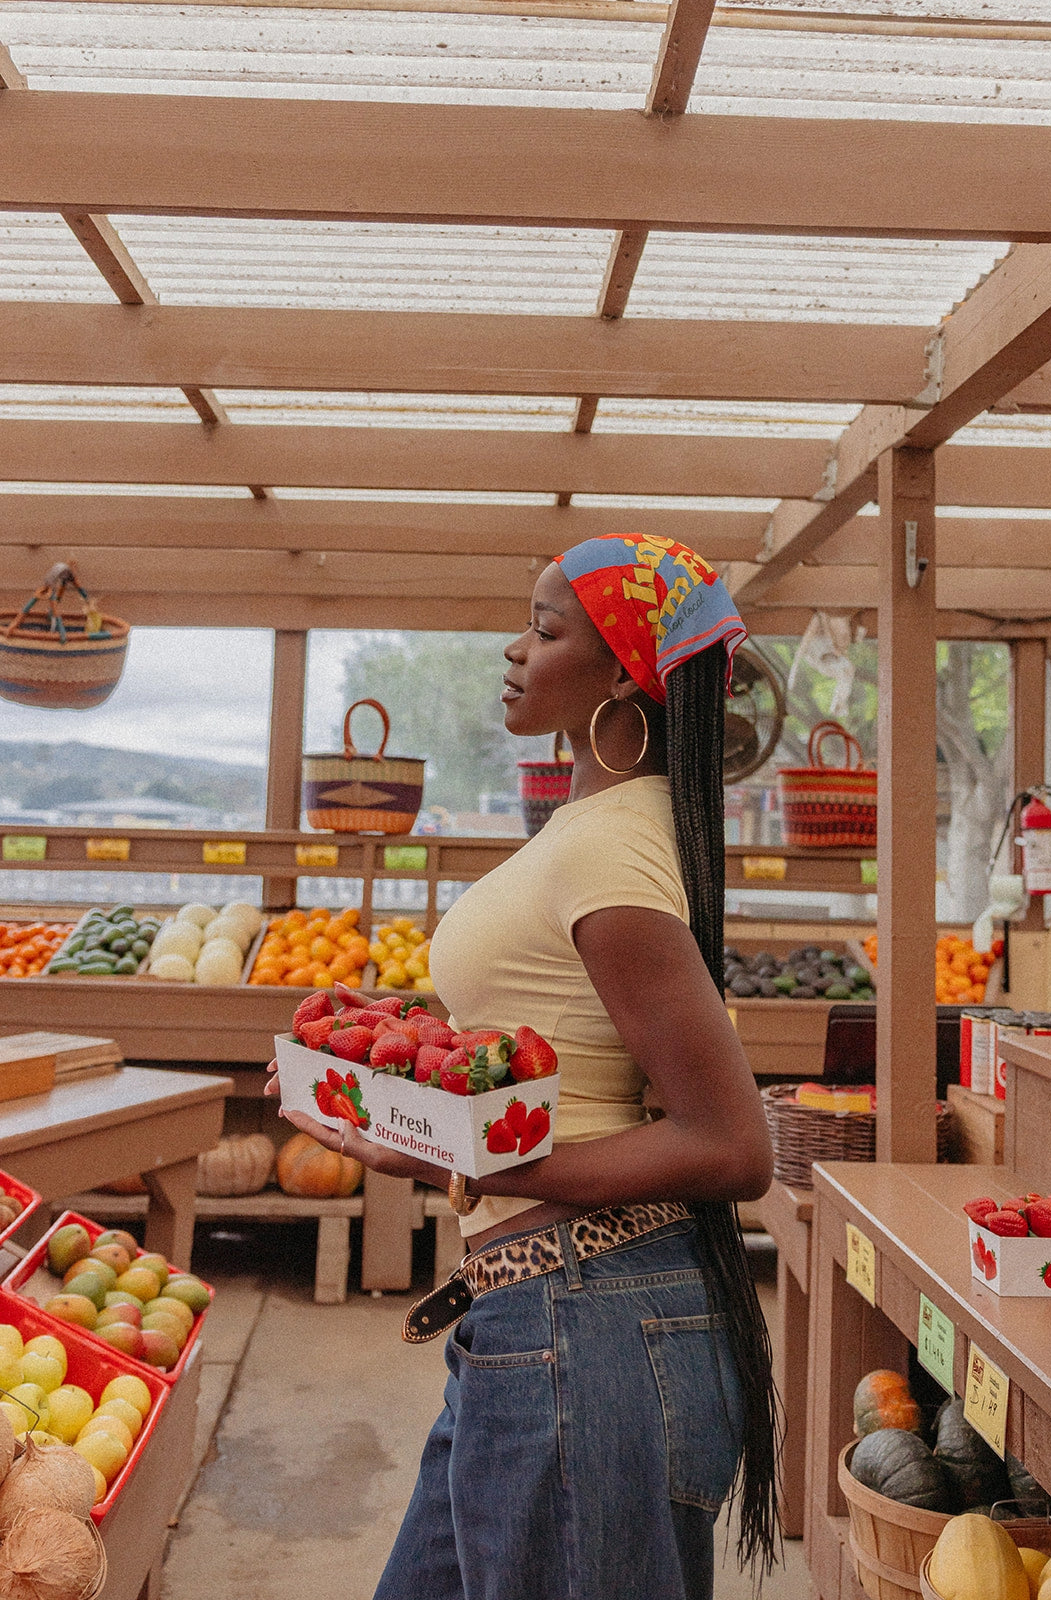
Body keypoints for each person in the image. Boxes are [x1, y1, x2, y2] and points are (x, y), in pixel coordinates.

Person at [269, 533, 780, 1599]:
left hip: (582, 1327)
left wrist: (469, 1163)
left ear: (622, 679)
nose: (513, 649)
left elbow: (730, 1146)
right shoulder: (603, 826)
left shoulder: (606, 846)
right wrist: (421, 1074)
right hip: (546, 1319)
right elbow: (569, 1052)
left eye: (543, 629)